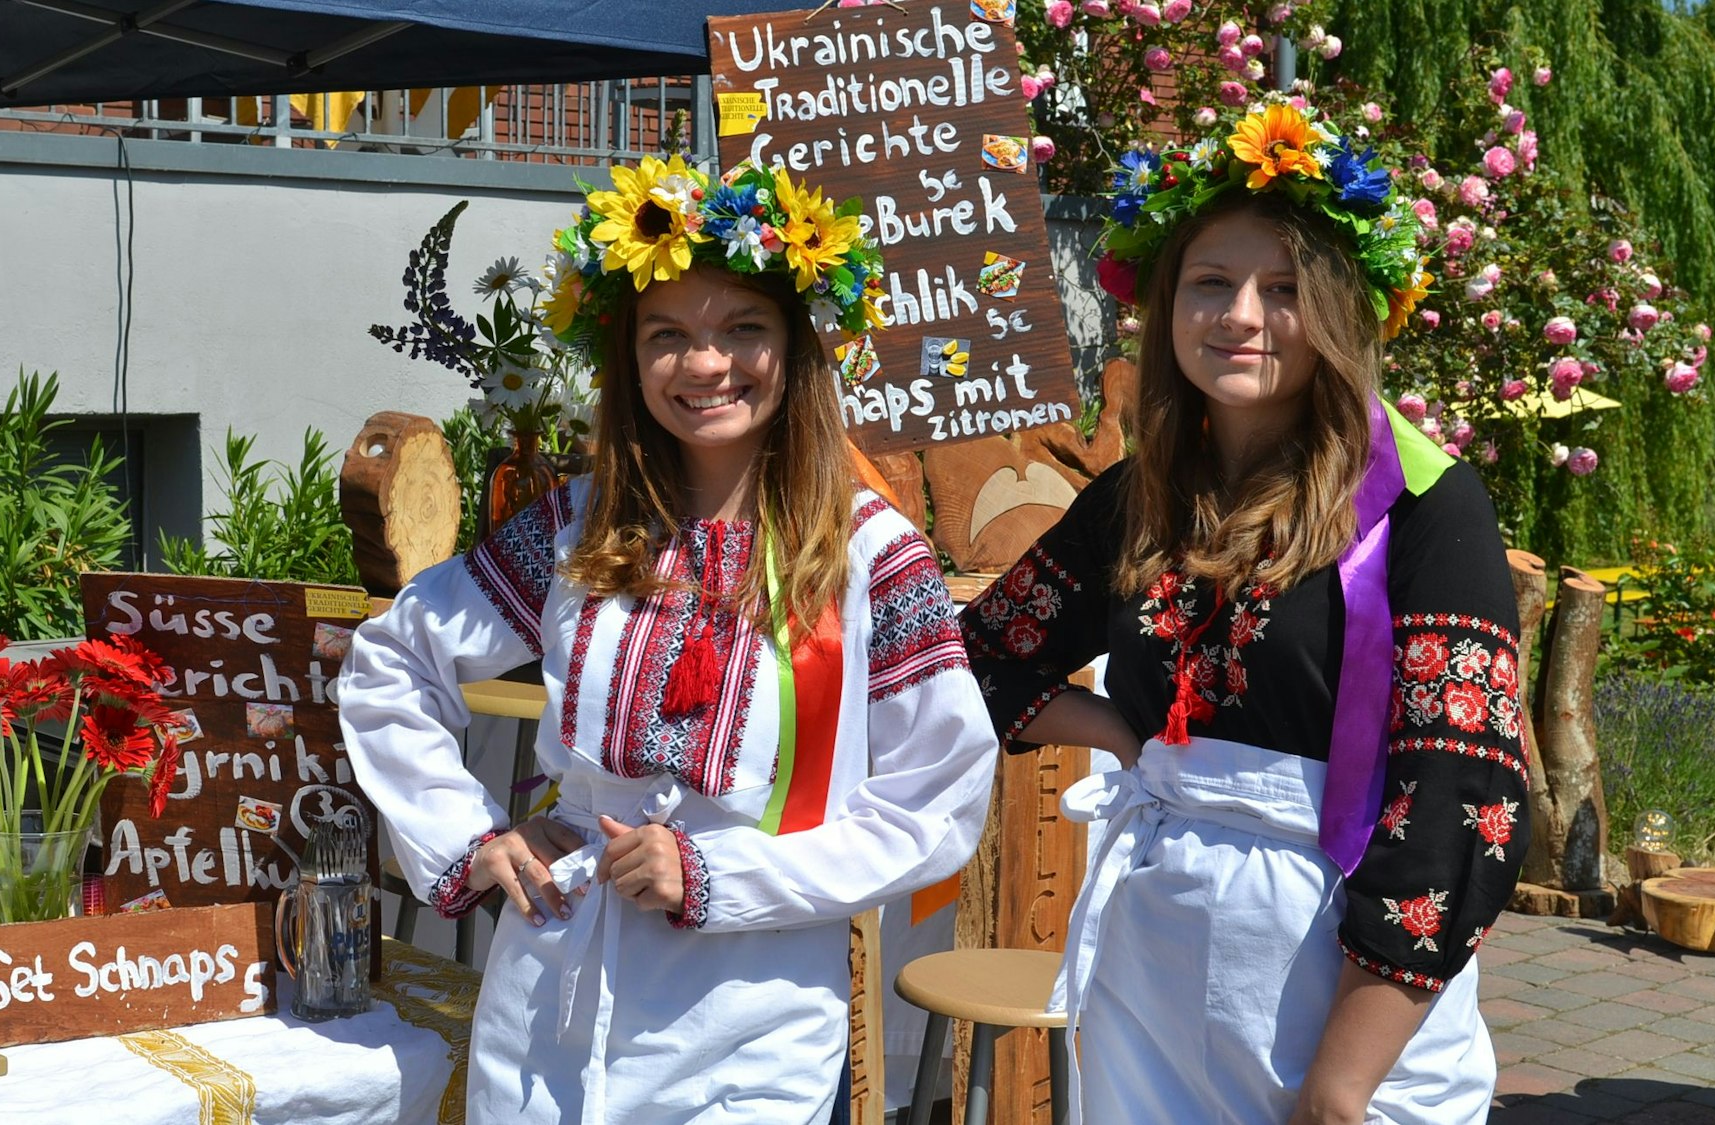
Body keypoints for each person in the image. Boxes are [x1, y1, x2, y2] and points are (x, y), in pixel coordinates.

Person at [339, 154, 999, 1125]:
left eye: (741, 328)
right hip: (557, 985)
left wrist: (716, 874)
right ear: (627, 356)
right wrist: (468, 839)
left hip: (753, 1010)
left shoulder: (867, 556)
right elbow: (394, 660)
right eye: (667, 335)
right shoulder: (578, 528)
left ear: (795, 346)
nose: (703, 363)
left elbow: (935, 800)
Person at [961, 99, 1527, 1125]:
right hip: (1153, 959)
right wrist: (1120, 737)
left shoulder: (1424, 503)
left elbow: (1454, 804)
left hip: (1339, 983)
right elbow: (981, 651)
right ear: (1164, 304)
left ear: (1342, 311)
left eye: (1282, 290)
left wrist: (1340, 1084)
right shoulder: (1136, 495)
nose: (1239, 316)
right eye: (1209, 283)